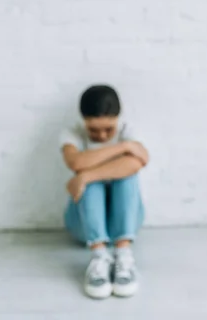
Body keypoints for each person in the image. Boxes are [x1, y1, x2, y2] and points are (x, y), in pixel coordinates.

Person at [60, 85, 149, 299]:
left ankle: (123, 255)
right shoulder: (72, 133)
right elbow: (76, 161)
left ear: (117, 118)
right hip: (83, 225)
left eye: (108, 130)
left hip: (126, 223)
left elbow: (139, 162)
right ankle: (99, 256)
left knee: (125, 176)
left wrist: (85, 176)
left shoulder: (127, 129)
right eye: (94, 130)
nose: (101, 135)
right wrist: (124, 148)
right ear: (84, 120)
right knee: (90, 178)